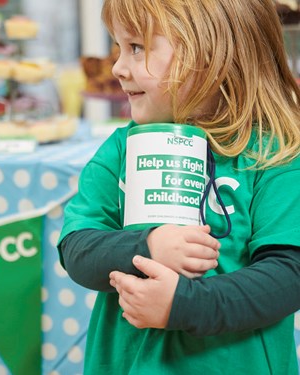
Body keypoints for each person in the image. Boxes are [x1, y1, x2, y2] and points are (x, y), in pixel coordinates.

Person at [58, 0, 300, 373]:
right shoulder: (119, 151)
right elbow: (77, 249)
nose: (118, 67)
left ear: (211, 53)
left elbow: (289, 275)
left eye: (136, 48)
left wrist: (184, 304)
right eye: (118, 48)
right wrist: (147, 246)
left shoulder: (274, 156)